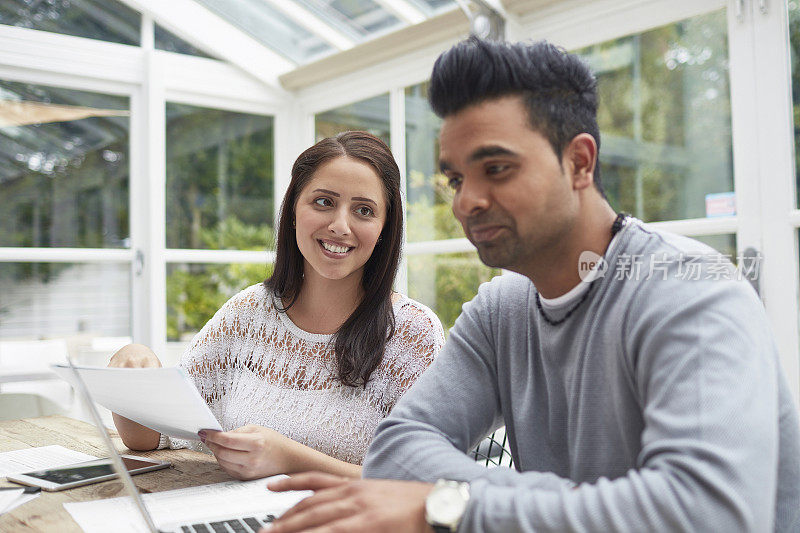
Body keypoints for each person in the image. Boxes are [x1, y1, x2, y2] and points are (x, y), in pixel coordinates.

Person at [265, 38, 800, 532]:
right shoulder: (500, 311)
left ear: (579, 162)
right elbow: (397, 452)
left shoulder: (690, 294)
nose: (465, 201)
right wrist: (598, 504)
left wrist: (450, 505)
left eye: (496, 168)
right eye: (456, 178)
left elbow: (707, 514)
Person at [108, 131, 445, 480]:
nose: (340, 226)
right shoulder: (247, 313)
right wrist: (133, 368)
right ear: (294, 212)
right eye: (324, 202)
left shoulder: (413, 333)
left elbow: (425, 484)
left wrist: (291, 458)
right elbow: (146, 437)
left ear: (385, 227)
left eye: (364, 210)